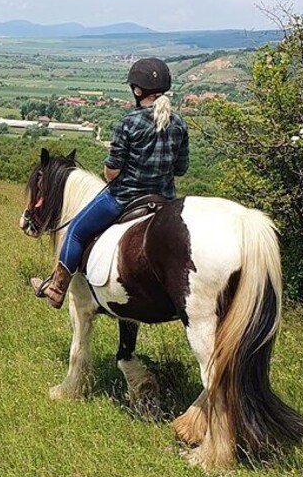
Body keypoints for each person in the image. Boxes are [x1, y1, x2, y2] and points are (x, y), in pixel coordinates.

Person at [30, 58, 190, 308]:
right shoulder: (179, 122)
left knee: (75, 231)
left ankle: (57, 288)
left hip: (126, 197)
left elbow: (112, 172)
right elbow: (181, 168)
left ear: (137, 90)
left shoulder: (129, 123)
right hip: (165, 199)